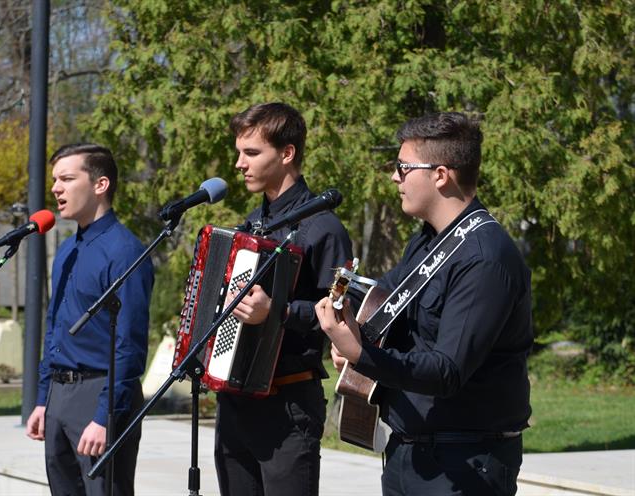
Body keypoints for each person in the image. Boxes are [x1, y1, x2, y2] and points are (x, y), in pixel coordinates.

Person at [315, 112, 533, 496]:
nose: (394, 177)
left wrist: (361, 355)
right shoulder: (428, 241)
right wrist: (351, 329)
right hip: (408, 451)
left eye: (403, 167)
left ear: (440, 175)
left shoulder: (484, 258)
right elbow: (383, 301)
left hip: (464, 463)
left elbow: (446, 371)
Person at [214, 102, 354, 496]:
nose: (240, 163)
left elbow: (340, 313)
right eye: (239, 152)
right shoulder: (251, 226)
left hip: (288, 402)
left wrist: (276, 312)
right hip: (234, 402)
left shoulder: (324, 228)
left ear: (287, 153)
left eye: (252, 153)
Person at [25, 143, 154, 496]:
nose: (56, 188)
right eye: (55, 179)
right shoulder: (66, 251)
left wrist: (104, 416)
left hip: (100, 394)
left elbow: (129, 344)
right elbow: (55, 330)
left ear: (100, 185)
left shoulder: (125, 252)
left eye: (67, 178)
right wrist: (42, 398)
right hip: (59, 397)